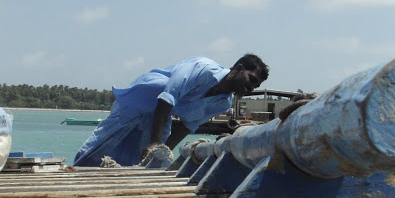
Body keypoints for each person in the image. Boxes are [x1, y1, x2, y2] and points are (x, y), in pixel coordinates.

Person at [73, 54, 269, 167]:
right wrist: (155, 143)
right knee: (101, 146)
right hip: (140, 103)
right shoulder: (203, 68)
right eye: (251, 79)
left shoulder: (222, 104)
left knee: (139, 161)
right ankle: (79, 172)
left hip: (159, 118)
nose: (250, 88)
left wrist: (162, 151)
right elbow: (167, 98)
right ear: (238, 67)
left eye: (255, 86)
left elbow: (186, 125)